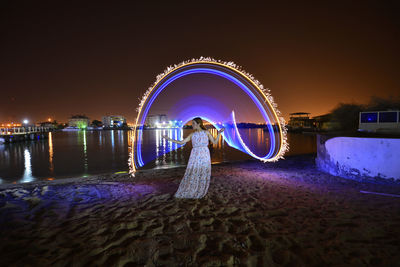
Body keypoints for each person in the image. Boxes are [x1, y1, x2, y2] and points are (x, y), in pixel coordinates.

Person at [162, 117, 224, 199]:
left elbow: (215, 142)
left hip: (204, 154)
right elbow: (181, 142)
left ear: (199, 124)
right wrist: (168, 139)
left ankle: (200, 189)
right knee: (193, 170)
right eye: (192, 123)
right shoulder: (192, 134)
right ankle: (193, 188)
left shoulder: (206, 132)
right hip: (195, 154)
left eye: (193, 123)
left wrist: (219, 133)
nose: (192, 125)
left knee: (202, 171)